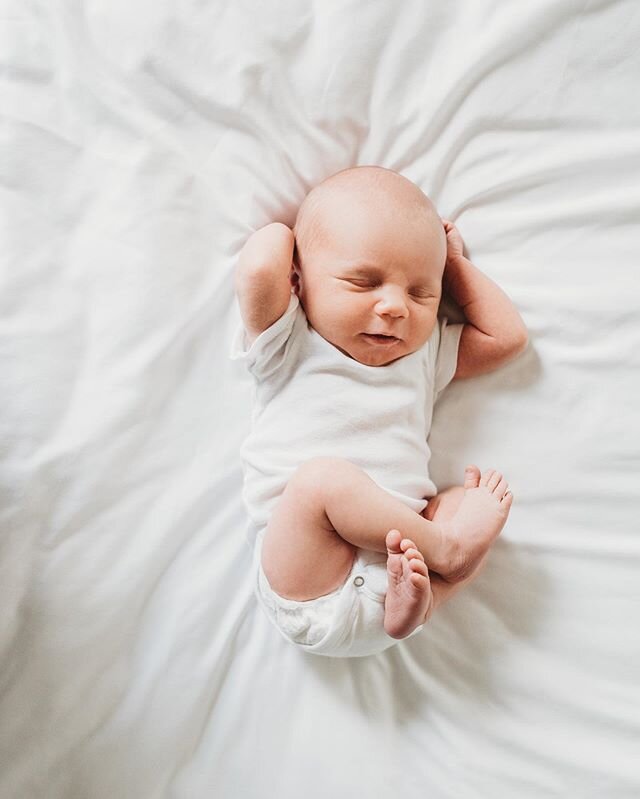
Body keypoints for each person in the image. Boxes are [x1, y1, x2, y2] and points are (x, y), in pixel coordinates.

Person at [230, 165, 528, 657]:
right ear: (300, 282)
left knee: (467, 502)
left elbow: (507, 338)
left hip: (397, 585)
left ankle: (426, 600)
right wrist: (293, 235)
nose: (394, 307)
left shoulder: (424, 355)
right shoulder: (287, 342)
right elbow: (262, 266)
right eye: (363, 282)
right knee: (321, 482)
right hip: (308, 577)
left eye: (420, 292)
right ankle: (448, 556)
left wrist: (449, 265)